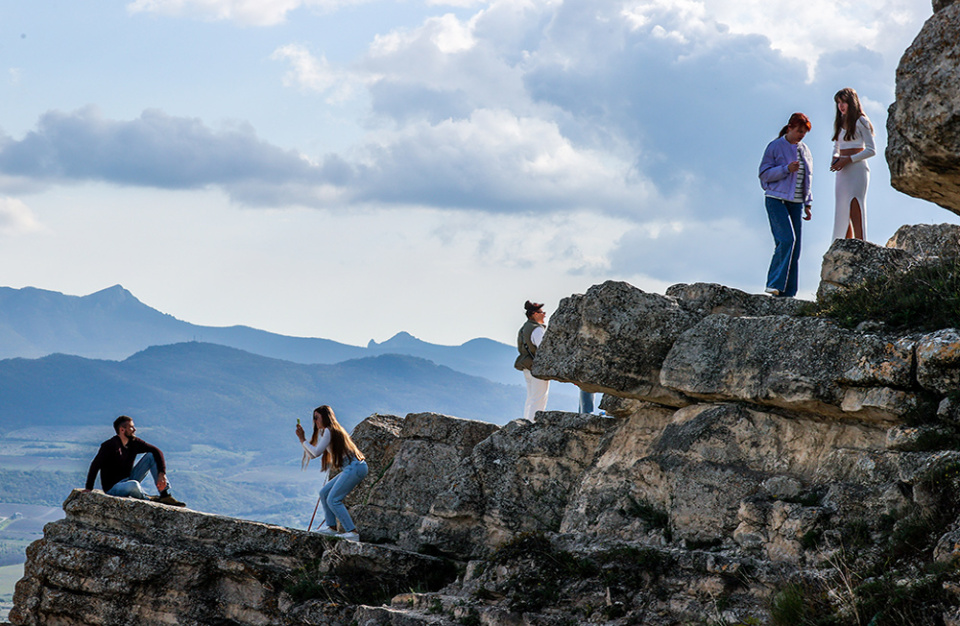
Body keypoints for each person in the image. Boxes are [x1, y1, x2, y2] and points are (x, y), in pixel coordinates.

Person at [759, 112, 813, 298]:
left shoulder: (805, 150)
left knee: (796, 248)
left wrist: (808, 203)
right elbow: (764, 174)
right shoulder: (775, 146)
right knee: (786, 240)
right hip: (776, 199)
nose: (801, 135)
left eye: (804, 133)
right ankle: (774, 284)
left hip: (796, 203)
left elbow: (808, 177)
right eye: (799, 131)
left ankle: (788, 294)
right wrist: (785, 169)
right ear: (790, 128)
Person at [297, 405, 368, 542]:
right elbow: (312, 455)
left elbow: (316, 453)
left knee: (333, 499)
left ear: (325, 417)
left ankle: (352, 532)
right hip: (353, 467)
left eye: (316, 417)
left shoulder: (329, 431)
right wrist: (303, 440)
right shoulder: (328, 431)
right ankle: (332, 528)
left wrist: (302, 439)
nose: (314, 421)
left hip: (354, 467)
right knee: (324, 493)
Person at [84, 415, 185, 506]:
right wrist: (89, 488)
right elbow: (95, 465)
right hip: (114, 488)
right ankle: (148, 500)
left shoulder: (134, 443)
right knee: (134, 485)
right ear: (122, 430)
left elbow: (156, 451)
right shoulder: (109, 446)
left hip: (128, 479)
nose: (135, 429)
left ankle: (164, 495)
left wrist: (162, 473)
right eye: (131, 427)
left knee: (151, 456)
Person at [830, 87, 876, 241]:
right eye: (838, 103)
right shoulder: (839, 121)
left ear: (851, 102)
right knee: (842, 207)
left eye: (844, 102)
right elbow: (837, 146)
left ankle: (861, 242)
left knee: (855, 205)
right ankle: (844, 243)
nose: (841, 106)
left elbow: (871, 150)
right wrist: (835, 158)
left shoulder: (861, 121)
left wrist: (849, 159)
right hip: (842, 171)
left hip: (857, 169)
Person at [514, 300, 549, 421]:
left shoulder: (524, 328)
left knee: (531, 397)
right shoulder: (537, 329)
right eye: (542, 312)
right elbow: (543, 348)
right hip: (537, 367)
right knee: (539, 398)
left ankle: (526, 421)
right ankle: (534, 423)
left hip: (527, 365)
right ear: (534, 314)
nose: (544, 314)